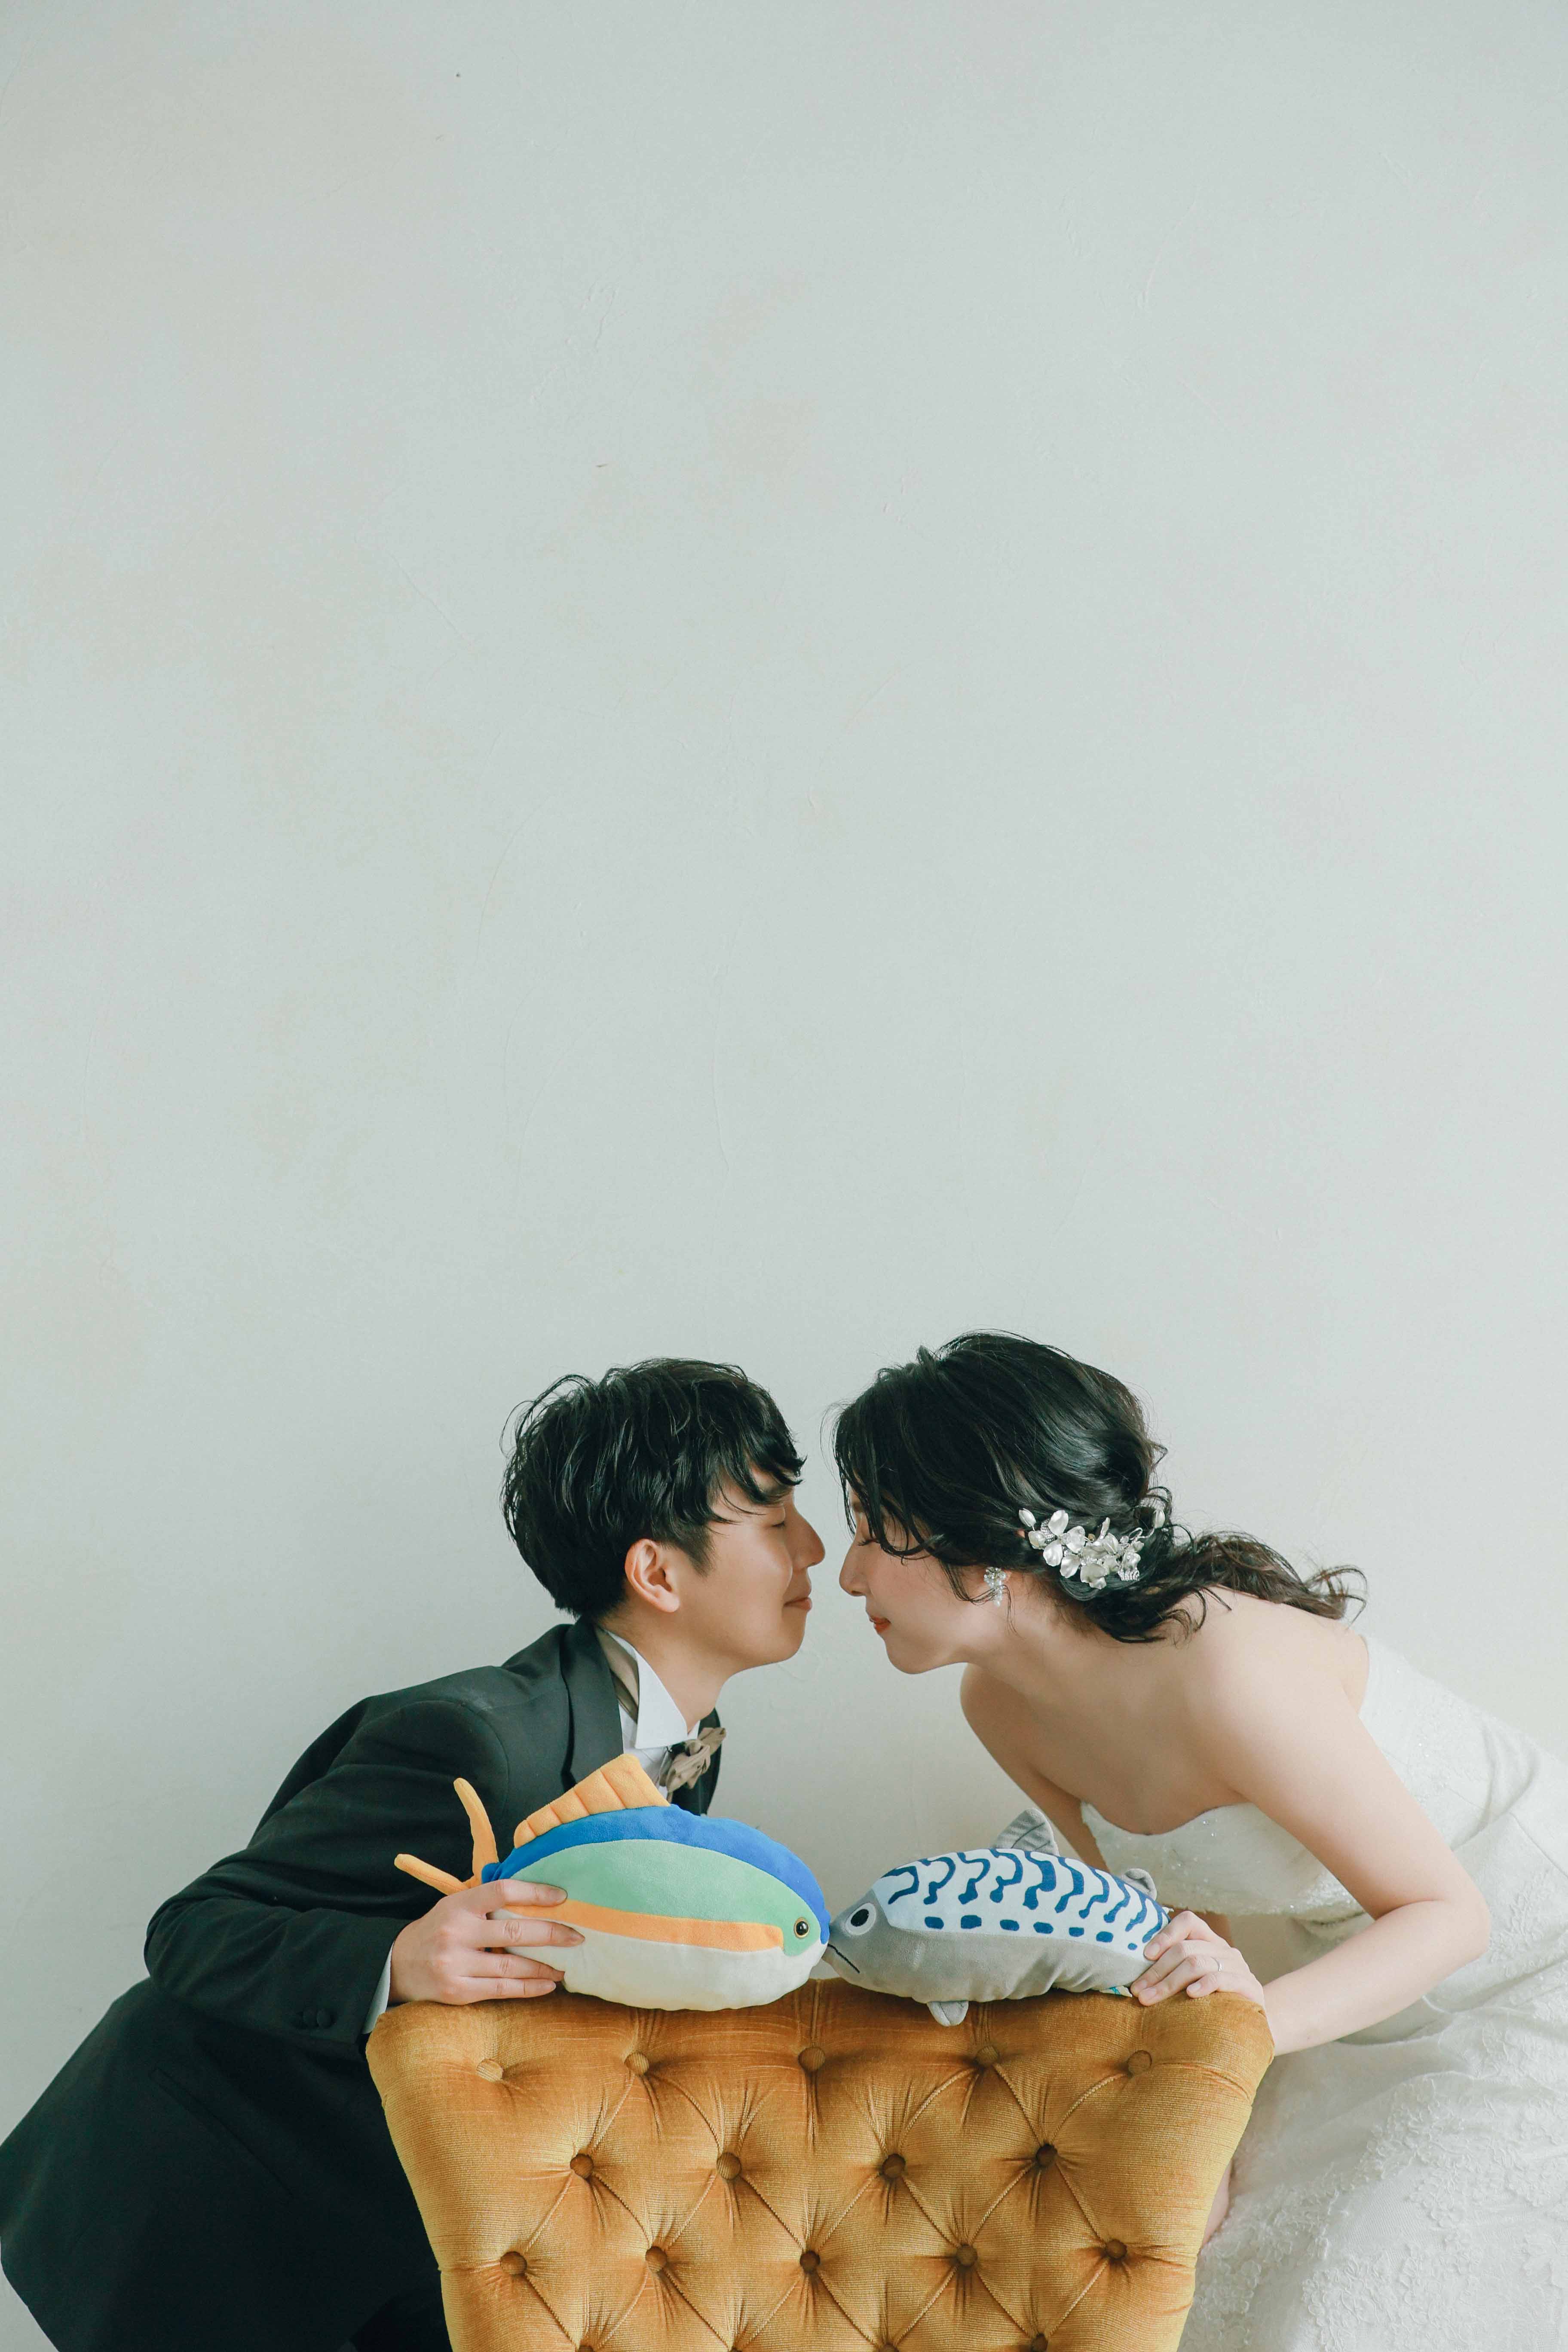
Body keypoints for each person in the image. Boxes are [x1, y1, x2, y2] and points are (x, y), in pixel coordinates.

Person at [0, 1358, 823, 2352]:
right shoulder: (478, 1740)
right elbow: (195, 1927)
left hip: (392, 2210)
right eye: (776, 1521)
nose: (814, 1550)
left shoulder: (680, 1747)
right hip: (204, 2189)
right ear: (657, 1573)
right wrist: (397, 1958)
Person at [835, 1331, 1568, 2352]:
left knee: (1345, 2293)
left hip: (1526, 1967)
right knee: (1216, 2272)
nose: (849, 1575)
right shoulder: (998, 1708)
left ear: (987, 1547)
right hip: (1344, 1995)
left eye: (874, 1529)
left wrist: (1252, 2026)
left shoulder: (1230, 1671)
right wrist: (1206, 2124)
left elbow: (1452, 1916)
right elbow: (1168, 1926)